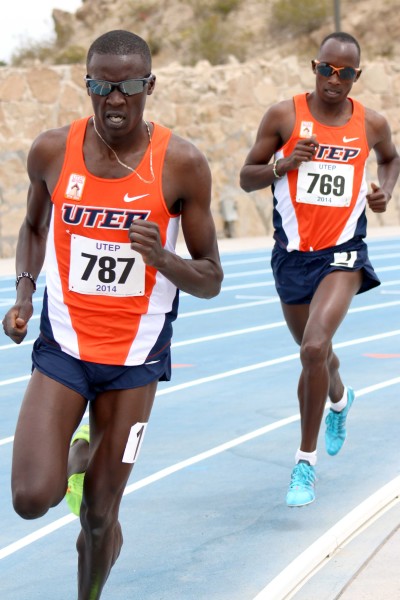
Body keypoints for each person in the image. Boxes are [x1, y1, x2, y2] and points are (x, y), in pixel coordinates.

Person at [2, 30, 223, 599]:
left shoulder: (182, 164)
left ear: (148, 86)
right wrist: (24, 293)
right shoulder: (53, 150)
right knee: (29, 498)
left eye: (127, 86)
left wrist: (161, 257)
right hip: (65, 351)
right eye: (101, 85)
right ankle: (79, 450)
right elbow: (31, 227)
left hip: (135, 364)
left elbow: (211, 278)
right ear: (89, 85)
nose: (115, 99)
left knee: (99, 516)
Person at [240, 32, 400, 507]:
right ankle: (340, 397)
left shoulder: (370, 123)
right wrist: (284, 163)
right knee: (318, 354)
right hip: (292, 255)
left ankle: (304, 465)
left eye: (345, 73)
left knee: (312, 347)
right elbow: (246, 176)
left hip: (344, 253)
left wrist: (384, 194)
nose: (334, 80)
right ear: (314, 66)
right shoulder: (284, 116)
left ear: (357, 76)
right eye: (326, 69)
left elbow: (391, 160)